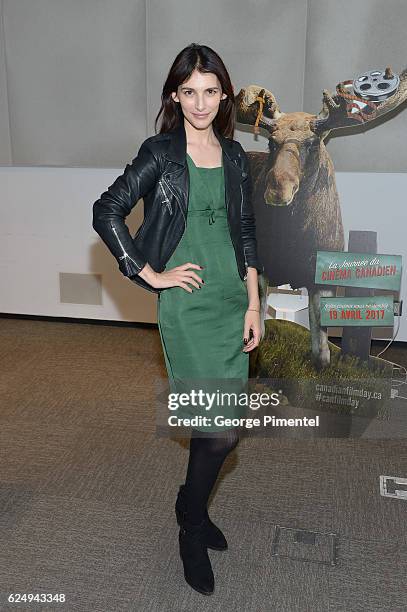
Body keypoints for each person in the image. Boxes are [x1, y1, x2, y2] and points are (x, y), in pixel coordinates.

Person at [92, 43, 263, 596]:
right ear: (174, 95)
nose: (199, 102)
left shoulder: (236, 156)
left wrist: (255, 302)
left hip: (233, 302)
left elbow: (247, 233)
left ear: (224, 94)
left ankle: (189, 501)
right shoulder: (161, 152)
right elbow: (107, 209)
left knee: (228, 429)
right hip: (188, 309)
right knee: (213, 432)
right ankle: (191, 525)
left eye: (210, 91)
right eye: (188, 91)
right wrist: (151, 274)